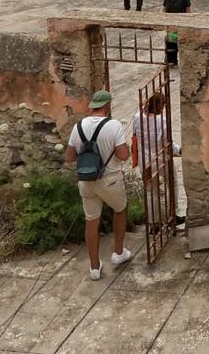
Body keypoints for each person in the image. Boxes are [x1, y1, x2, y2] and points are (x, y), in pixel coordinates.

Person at [64, 90, 132, 280]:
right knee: (120, 210)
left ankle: (94, 267)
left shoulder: (78, 127)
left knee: (91, 221)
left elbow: (69, 157)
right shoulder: (114, 125)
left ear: (93, 105)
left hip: (86, 181)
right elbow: (123, 155)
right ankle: (118, 252)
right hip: (109, 179)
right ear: (108, 105)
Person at [131, 93, 180, 231]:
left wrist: (143, 104)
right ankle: (172, 216)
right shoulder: (162, 121)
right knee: (172, 184)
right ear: (160, 106)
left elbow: (135, 134)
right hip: (160, 158)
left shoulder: (137, 118)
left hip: (144, 161)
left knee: (151, 191)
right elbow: (167, 142)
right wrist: (179, 150)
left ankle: (153, 224)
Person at [161, 0, 191, 66]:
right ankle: (171, 60)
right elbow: (163, 8)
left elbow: (188, 9)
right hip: (170, 24)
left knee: (182, 43)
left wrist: (188, 20)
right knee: (170, 42)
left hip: (181, 22)